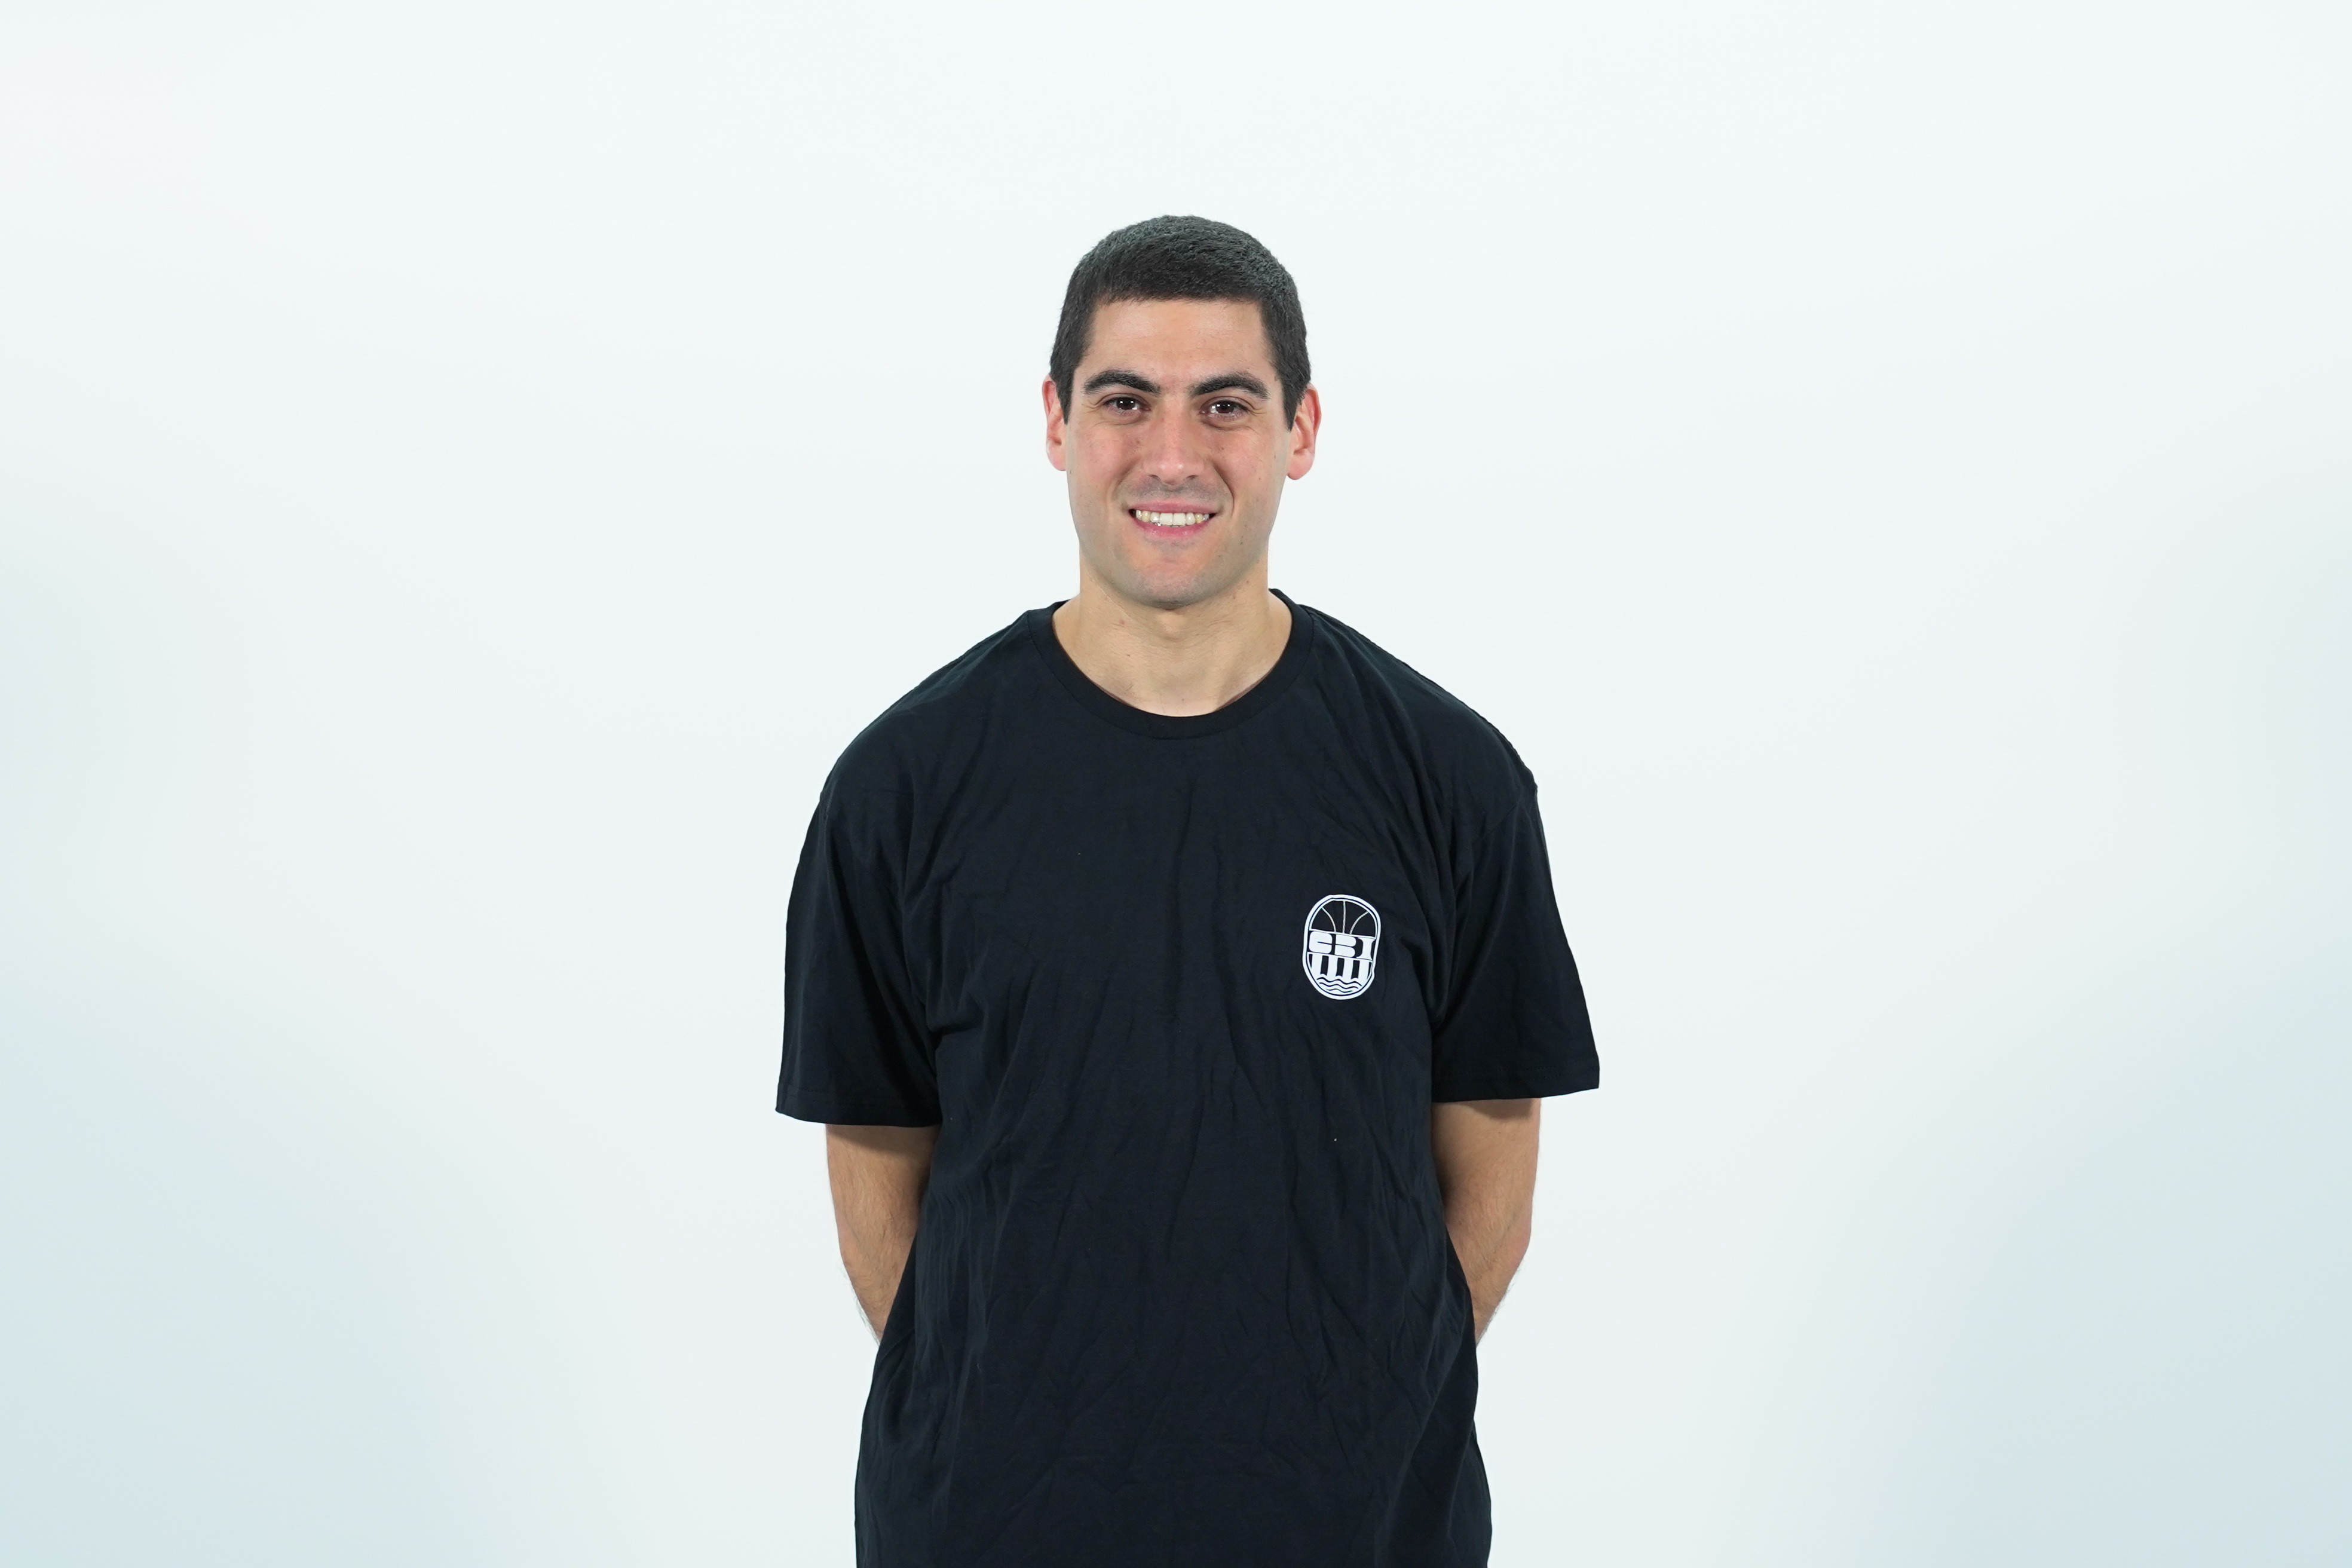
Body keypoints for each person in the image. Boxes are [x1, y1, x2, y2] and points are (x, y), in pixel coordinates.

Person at [778, 215, 1598, 1567]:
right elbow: (874, 1163)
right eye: (1124, 402)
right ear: (1056, 422)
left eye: (1226, 404)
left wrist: (1362, 1410)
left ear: (1301, 430)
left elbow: (1493, 1166)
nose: (1173, 455)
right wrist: (1014, 1412)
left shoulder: (1450, 778)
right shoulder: (903, 787)